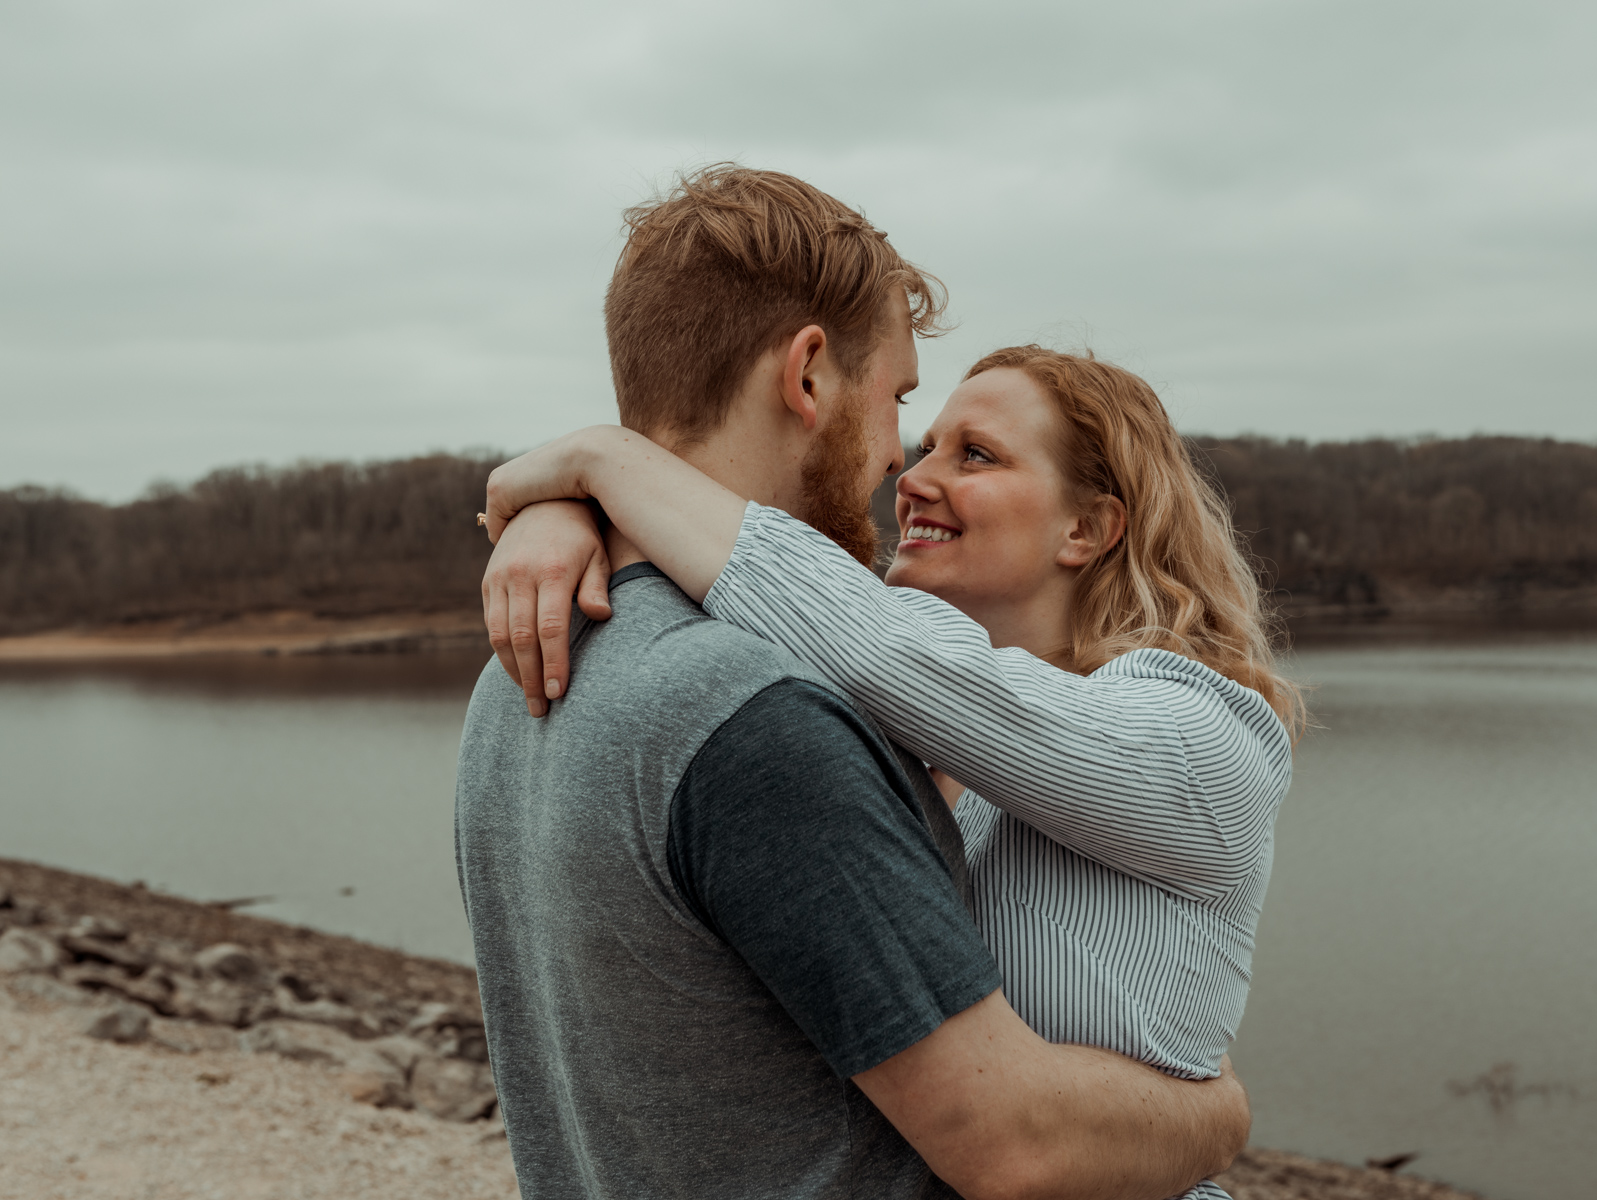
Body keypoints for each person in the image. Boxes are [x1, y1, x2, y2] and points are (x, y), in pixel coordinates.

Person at [455, 165, 1252, 1200]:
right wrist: (1214, 1113)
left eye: (966, 453)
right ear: (808, 376)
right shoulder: (761, 720)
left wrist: (585, 491)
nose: (899, 466)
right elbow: (1012, 1145)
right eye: (902, 406)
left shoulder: (514, 679)